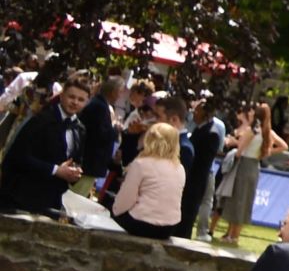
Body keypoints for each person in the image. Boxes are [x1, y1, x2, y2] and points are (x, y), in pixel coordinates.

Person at [1, 71, 91, 218]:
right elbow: (18, 156)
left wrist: (74, 172)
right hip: (23, 196)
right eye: (71, 97)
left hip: (53, 199)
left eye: (81, 99)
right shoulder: (41, 120)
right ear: (62, 96)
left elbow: (76, 158)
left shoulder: (79, 128)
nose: (75, 102)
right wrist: (55, 170)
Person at [213, 103, 280, 247]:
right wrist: (264, 153)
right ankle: (232, 234)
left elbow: (239, 151)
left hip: (243, 165)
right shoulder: (267, 132)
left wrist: (234, 144)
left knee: (237, 198)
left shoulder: (252, 130)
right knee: (246, 200)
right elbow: (282, 146)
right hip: (255, 166)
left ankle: (233, 235)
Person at [109, 119, 186, 239]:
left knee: (108, 205)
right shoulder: (180, 168)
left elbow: (125, 200)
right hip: (170, 227)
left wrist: (114, 211)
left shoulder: (141, 164)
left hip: (142, 223)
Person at [179, 97, 226, 240]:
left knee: (188, 213)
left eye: (198, 111)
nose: (195, 114)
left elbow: (203, 162)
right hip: (189, 178)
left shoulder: (211, 133)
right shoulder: (200, 129)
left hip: (195, 181)